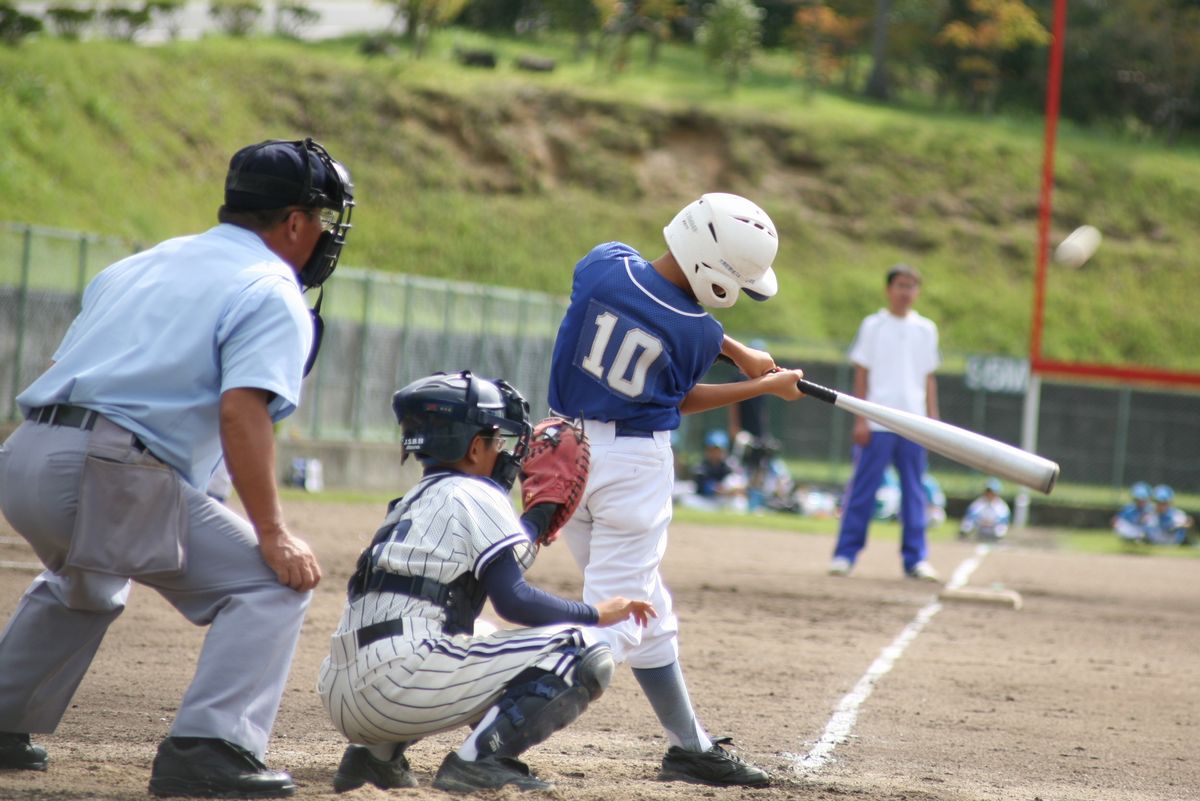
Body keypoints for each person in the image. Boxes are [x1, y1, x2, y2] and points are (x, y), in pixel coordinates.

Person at [0, 138, 354, 797]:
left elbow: (66, 370)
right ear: (296, 222)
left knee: (89, 576)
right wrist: (272, 531)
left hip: (25, 457)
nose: (327, 236)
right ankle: (211, 744)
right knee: (271, 584)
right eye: (325, 220)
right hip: (106, 470)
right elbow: (241, 414)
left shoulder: (146, 262)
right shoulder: (271, 288)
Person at [547, 192, 805, 786]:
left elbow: (656, 305)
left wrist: (739, 353)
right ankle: (495, 737)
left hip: (561, 453)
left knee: (650, 610)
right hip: (631, 469)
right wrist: (763, 387)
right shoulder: (698, 331)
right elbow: (682, 397)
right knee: (619, 621)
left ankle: (689, 745)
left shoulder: (602, 263)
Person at [317, 371, 655, 793]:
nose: (505, 450)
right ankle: (478, 762)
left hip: (345, 689)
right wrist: (594, 614)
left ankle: (374, 758)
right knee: (581, 651)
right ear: (474, 447)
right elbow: (514, 600)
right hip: (395, 686)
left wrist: (537, 521)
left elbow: (492, 564)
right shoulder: (477, 493)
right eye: (497, 440)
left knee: (475, 630)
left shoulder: (412, 501)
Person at [829, 263, 942, 582]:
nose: (906, 292)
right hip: (877, 421)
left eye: (911, 286)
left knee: (915, 493)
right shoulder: (873, 325)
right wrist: (861, 418)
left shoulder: (926, 329)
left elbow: (928, 377)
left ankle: (915, 559)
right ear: (888, 289)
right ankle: (845, 554)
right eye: (900, 285)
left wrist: (933, 420)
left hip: (914, 423)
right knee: (863, 490)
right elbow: (862, 372)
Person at [678, 429, 749, 512]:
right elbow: (709, 489)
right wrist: (729, 491)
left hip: (724, 501)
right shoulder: (700, 467)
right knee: (686, 500)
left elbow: (743, 488)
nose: (715, 452)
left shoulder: (730, 466)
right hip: (707, 501)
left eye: (718, 449)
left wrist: (738, 489)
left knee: (740, 502)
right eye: (712, 449)